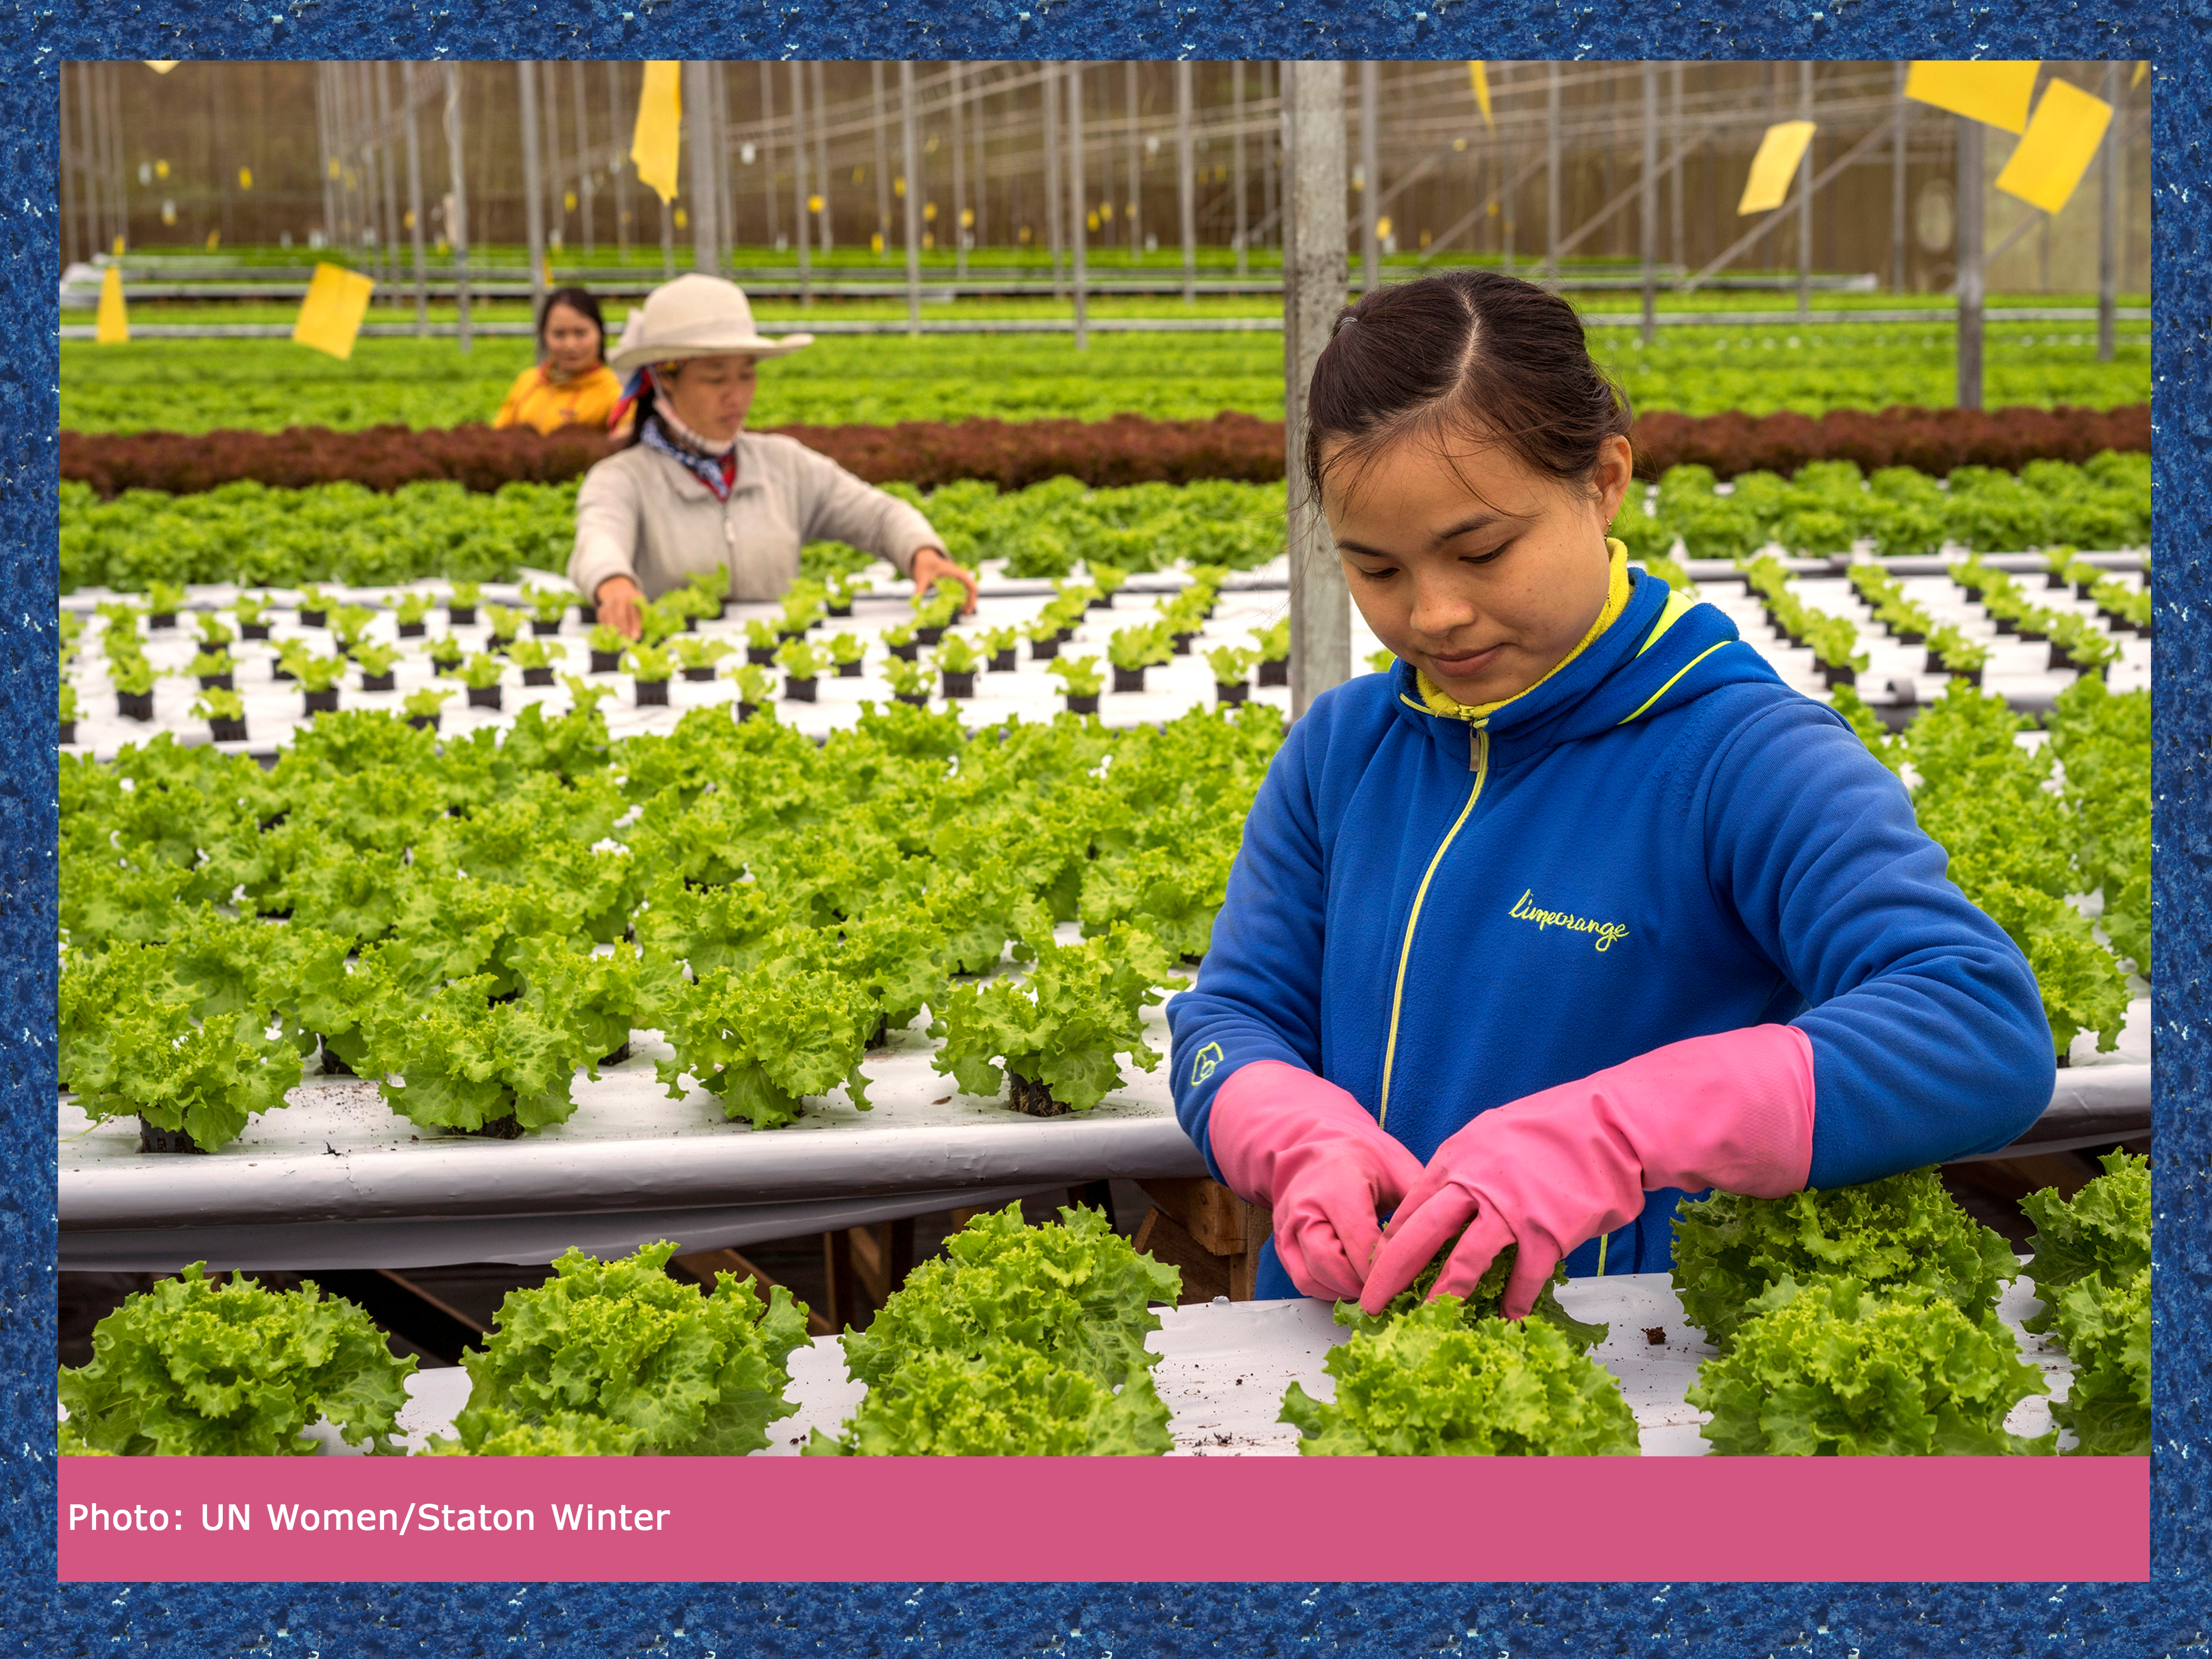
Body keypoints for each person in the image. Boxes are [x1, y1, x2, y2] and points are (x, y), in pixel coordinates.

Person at [1166, 270, 2053, 1316]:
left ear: (1603, 480)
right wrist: (1292, 1132)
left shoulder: (1741, 756)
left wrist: (1611, 1135)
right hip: (1335, 1359)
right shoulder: (1340, 755)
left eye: (1481, 550)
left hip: (1628, 1382)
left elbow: (1978, 1027)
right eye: (1377, 570)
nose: (1434, 613)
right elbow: (1232, 1014)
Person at [569, 273, 976, 638]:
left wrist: (923, 553)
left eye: (747, 375)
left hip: (774, 680)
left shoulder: (784, 466)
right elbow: (598, 540)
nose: (737, 394)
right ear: (663, 380)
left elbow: (878, 515)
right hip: (667, 681)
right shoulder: (622, 479)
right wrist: (614, 583)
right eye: (715, 378)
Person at [493, 287, 624, 434]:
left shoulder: (616, 392)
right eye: (559, 334)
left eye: (581, 333)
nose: (570, 345)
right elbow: (498, 436)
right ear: (544, 336)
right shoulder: (528, 382)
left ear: (600, 333)